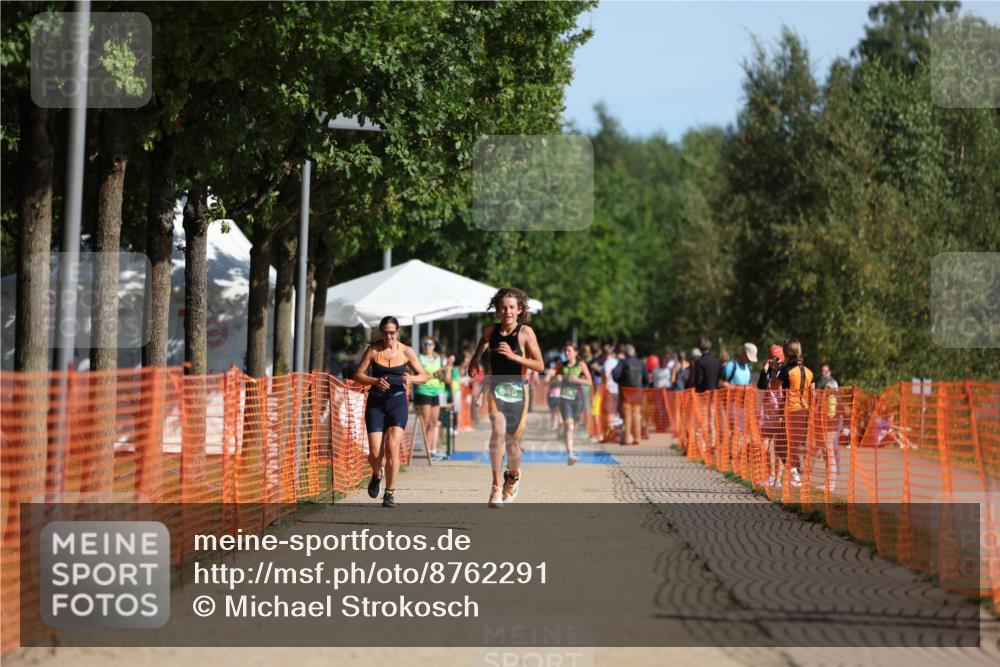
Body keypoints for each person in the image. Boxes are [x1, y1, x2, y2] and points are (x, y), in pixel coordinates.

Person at [468, 287, 545, 507]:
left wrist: (513, 356)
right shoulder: (490, 330)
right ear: (497, 309)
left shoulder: (525, 333)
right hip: (496, 389)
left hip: (519, 391)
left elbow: (540, 365)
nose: (507, 311)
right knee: (498, 433)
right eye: (503, 307)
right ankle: (495, 487)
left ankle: (513, 476)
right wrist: (475, 359)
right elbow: (483, 343)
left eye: (512, 307)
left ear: (519, 310)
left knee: (513, 445)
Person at [354, 316, 428, 507]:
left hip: (397, 403)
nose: (389, 336)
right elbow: (358, 375)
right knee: (375, 454)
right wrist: (374, 381)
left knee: (392, 447)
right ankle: (377, 474)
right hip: (376, 405)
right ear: (381, 332)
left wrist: (412, 379)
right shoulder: (373, 351)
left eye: (392, 332)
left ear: (398, 332)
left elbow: (424, 376)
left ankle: (389, 493)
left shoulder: (406, 351)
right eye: (385, 332)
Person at [778, 338, 814, 489]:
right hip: (804, 410)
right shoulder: (809, 372)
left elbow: (777, 390)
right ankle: (797, 476)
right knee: (795, 446)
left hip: (790, 411)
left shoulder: (786, 371)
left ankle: (796, 476)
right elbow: (813, 393)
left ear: (787, 352)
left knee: (780, 446)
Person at [553, 342, 592, 465]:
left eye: (569, 350)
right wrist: (557, 378)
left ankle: (571, 446)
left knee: (574, 426)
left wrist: (578, 379)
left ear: (575, 352)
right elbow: (554, 377)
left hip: (578, 397)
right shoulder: (561, 365)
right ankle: (570, 453)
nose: (566, 353)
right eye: (565, 350)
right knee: (568, 426)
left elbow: (589, 382)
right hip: (565, 398)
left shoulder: (581, 364)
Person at [413, 336, 450, 461]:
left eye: (429, 344)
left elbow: (443, 376)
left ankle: (430, 450)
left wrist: (446, 371)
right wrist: (437, 372)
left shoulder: (437, 358)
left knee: (434, 422)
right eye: (424, 344)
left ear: (434, 346)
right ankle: (423, 450)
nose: (427, 346)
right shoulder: (419, 358)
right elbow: (423, 375)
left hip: (436, 391)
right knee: (425, 422)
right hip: (424, 391)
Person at [756, 344, 785, 487]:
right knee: (765, 446)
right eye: (772, 359)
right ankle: (770, 476)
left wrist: (783, 411)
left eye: (777, 359)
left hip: (779, 413)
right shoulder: (767, 372)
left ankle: (779, 480)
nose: (775, 362)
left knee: (779, 447)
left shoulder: (785, 372)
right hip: (766, 414)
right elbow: (760, 386)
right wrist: (763, 370)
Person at [613, 344, 647, 445]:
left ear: (625, 353)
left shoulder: (623, 362)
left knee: (627, 415)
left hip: (626, 392)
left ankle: (627, 438)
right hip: (638, 391)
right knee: (636, 415)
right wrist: (641, 386)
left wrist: (620, 382)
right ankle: (637, 438)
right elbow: (646, 378)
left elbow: (615, 374)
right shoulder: (641, 363)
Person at [815, 363, 841, 491]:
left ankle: (831, 484)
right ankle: (829, 482)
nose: (823, 373)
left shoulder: (831, 384)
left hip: (830, 422)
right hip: (823, 420)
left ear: (830, 372)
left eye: (825, 371)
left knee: (829, 451)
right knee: (826, 451)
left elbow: (833, 404)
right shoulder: (821, 382)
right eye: (822, 371)